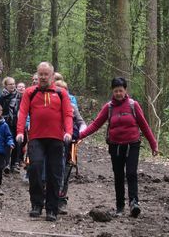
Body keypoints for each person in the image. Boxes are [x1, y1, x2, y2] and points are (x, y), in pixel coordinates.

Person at [78, 77, 158, 218]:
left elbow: (144, 125)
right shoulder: (108, 107)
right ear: (112, 91)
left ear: (125, 90)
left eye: (121, 90)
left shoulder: (133, 105)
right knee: (119, 175)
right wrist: (80, 135)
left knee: (131, 173)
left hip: (132, 144)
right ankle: (120, 206)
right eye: (116, 91)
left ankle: (134, 203)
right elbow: (96, 124)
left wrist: (153, 144)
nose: (118, 93)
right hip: (115, 146)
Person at [16, 62, 73, 222]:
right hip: (36, 138)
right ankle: (36, 204)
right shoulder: (30, 92)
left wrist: (68, 132)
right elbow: (22, 112)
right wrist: (20, 132)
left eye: (45, 74)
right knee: (35, 168)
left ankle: (52, 208)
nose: (42, 77)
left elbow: (68, 114)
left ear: (52, 75)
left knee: (54, 174)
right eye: (40, 74)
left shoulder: (61, 93)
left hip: (56, 139)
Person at [54, 80, 87, 215]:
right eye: (58, 89)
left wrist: (81, 133)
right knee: (53, 172)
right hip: (52, 143)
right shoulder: (49, 106)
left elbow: (81, 122)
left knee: (66, 172)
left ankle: (61, 201)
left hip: (69, 144)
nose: (61, 92)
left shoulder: (72, 107)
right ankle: (49, 199)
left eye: (64, 90)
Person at [0, 77, 22, 173]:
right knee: (8, 142)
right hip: (6, 123)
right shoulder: (2, 97)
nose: (12, 86)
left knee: (17, 143)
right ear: (5, 86)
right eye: (10, 84)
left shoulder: (19, 96)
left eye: (13, 84)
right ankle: (5, 163)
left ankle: (14, 164)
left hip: (18, 122)